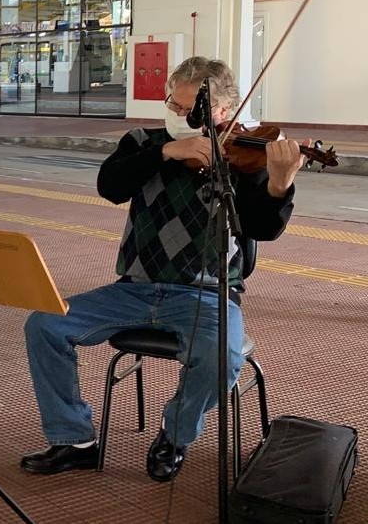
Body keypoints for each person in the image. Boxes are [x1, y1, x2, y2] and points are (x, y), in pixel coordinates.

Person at [20, 56, 306, 482]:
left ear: (222, 113)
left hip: (207, 294)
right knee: (43, 324)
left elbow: (263, 228)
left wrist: (279, 183)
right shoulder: (142, 142)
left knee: (223, 354)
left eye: (188, 109)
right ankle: (75, 440)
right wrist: (167, 151)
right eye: (172, 103)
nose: (175, 113)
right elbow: (110, 186)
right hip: (133, 289)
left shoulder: (244, 157)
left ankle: (174, 435)